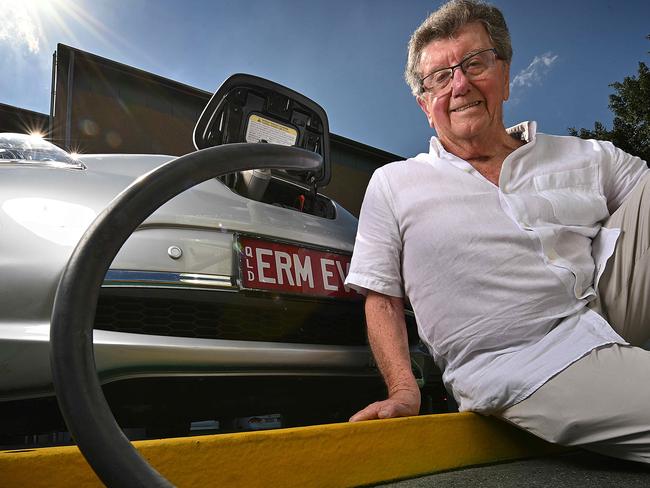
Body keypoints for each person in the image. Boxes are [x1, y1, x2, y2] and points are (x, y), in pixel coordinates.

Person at [345, 0, 650, 463]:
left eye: (475, 63)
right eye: (440, 77)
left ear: (505, 74)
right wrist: (404, 391)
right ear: (425, 104)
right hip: (526, 360)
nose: (461, 84)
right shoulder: (394, 184)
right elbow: (381, 295)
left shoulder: (582, 156)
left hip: (604, 306)